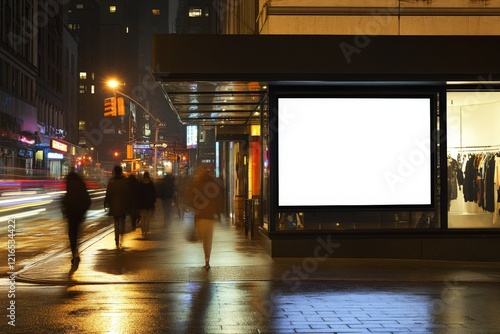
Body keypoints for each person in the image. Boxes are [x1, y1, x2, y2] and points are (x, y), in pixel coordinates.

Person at [183, 165, 224, 270]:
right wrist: (219, 215)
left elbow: (190, 198)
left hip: (200, 216)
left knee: (203, 237)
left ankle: (205, 255)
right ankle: (207, 259)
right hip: (210, 216)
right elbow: (218, 201)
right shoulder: (213, 185)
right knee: (208, 239)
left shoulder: (196, 184)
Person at [62, 168, 91, 265]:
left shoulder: (69, 185)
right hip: (78, 213)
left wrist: (65, 209)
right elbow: (87, 199)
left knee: (72, 234)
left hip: (71, 213)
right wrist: (83, 211)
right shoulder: (80, 184)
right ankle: (75, 253)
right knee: (77, 234)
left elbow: (66, 199)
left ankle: (74, 253)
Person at [104, 165, 131, 248]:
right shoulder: (124, 181)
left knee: (116, 222)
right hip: (122, 205)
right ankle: (121, 235)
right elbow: (127, 194)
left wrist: (106, 203)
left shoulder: (111, 181)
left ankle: (116, 239)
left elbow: (108, 193)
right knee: (122, 221)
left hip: (114, 205)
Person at [137, 171, 156, 237]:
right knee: (147, 217)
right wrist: (153, 202)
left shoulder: (140, 184)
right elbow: (153, 194)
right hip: (149, 203)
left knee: (142, 217)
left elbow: (138, 194)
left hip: (142, 204)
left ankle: (143, 230)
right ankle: (146, 229)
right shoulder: (151, 184)